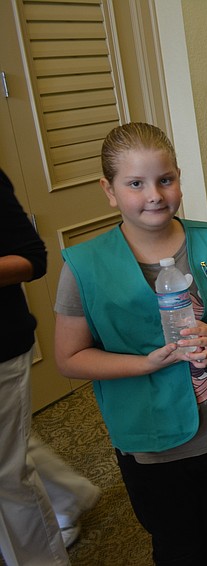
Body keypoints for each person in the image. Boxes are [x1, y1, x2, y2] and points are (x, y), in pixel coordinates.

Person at [54, 123, 207, 565]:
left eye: (165, 180)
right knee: (175, 544)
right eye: (135, 183)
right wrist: (144, 364)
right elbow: (70, 357)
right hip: (150, 442)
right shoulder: (85, 266)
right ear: (109, 191)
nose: (154, 194)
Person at [1, 168, 101, 565]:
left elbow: (32, 257)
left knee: (6, 476)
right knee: (10, 444)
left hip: (2, 342)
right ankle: (67, 493)